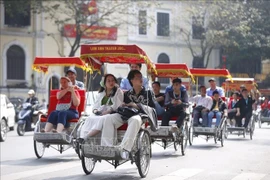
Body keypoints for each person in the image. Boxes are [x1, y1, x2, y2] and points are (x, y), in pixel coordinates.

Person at [101, 70, 156, 159]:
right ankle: (107, 148)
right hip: (126, 114)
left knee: (135, 120)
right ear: (132, 80)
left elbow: (153, 108)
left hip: (140, 116)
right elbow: (121, 106)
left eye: (140, 77)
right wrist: (123, 104)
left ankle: (125, 149)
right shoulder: (127, 94)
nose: (140, 79)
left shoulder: (148, 93)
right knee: (108, 118)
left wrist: (137, 105)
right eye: (137, 77)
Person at [79, 74, 124, 139]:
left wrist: (108, 111)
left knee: (103, 119)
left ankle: (85, 137)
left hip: (112, 113)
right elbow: (95, 106)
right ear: (104, 83)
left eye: (113, 80)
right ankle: (82, 136)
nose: (111, 82)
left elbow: (117, 105)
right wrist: (95, 111)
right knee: (89, 119)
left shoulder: (118, 91)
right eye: (108, 81)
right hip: (100, 113)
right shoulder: (101, 93)